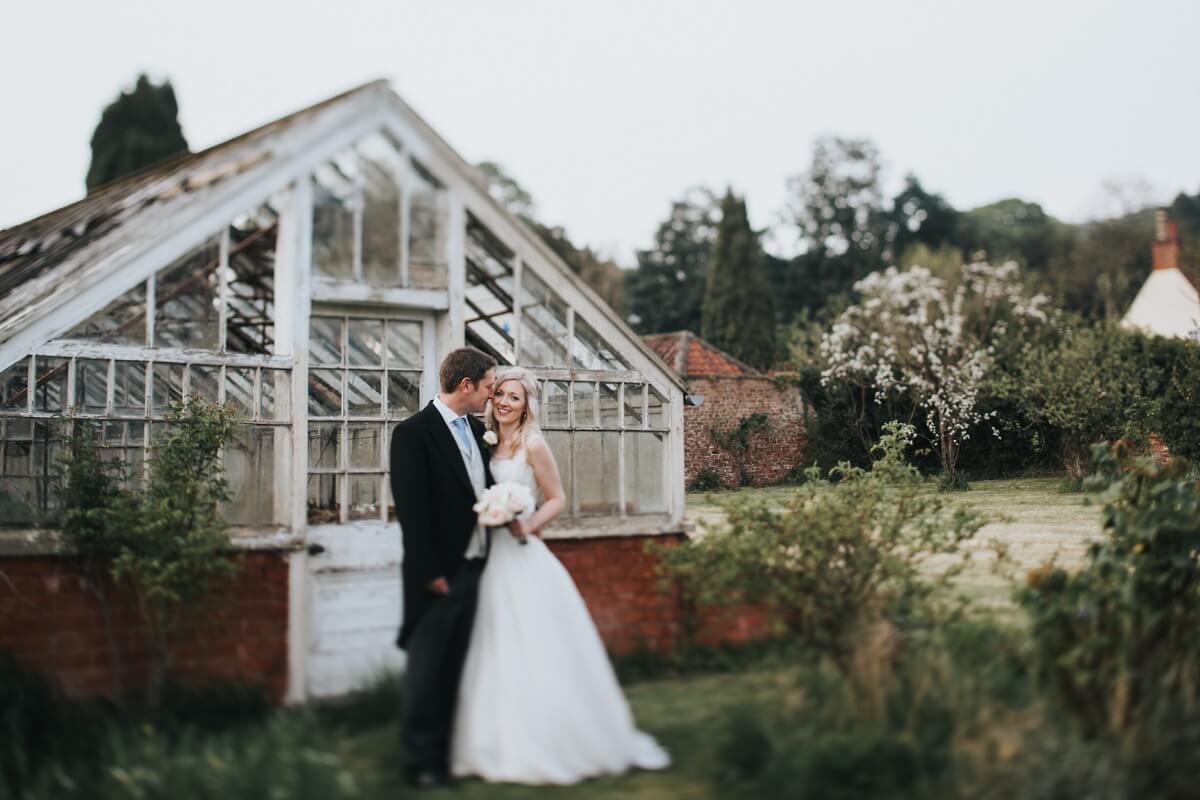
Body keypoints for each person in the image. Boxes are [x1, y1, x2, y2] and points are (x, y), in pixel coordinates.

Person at [451, 366, 671, 784]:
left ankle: (553, 737)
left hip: (521, 551)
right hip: (488, 557)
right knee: (492, 642)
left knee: (534, 643)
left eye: (514, 397)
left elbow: (557, 498)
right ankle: (492, 740)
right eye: (500, 394)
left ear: (527, 405)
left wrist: (526, 521)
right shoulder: (485, 443)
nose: (504, 402)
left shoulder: (533, 444)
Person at [389, 346, 497, 789]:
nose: (493, 396)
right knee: (427, 669)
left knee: (456, 667)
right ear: (466, 385)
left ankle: (445, 758)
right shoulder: (413, 434)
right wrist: (430, 572)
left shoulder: (478, 431)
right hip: (436, 575)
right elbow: (413, 511)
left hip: (474, 567)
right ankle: (419, 763)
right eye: (489, 387)